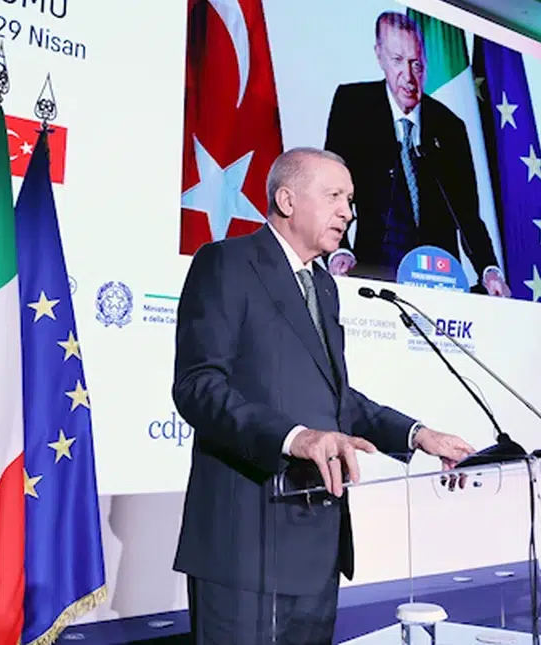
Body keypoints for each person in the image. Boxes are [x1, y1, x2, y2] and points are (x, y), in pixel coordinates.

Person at [171, 147, 478, 645]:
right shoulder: (226, 263)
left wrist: (418, 435)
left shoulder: (324, 286)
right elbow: (198, 386)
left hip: (317, 542)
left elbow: (337, 400)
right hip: (246, 543)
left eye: (350, 200)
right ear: (286, 200)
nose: (348, 212)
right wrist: (294, 437)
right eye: (334, 196)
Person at [323, 11, 510, 295]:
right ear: (379, 56)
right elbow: (331, 192)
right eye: (398, 60)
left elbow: (467, 214)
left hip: (439, 282)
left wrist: (489, 270)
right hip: (373, 277)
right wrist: (339, 251)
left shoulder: (450, 127)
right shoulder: (353, 106)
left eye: (416, 64)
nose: (409, 77)